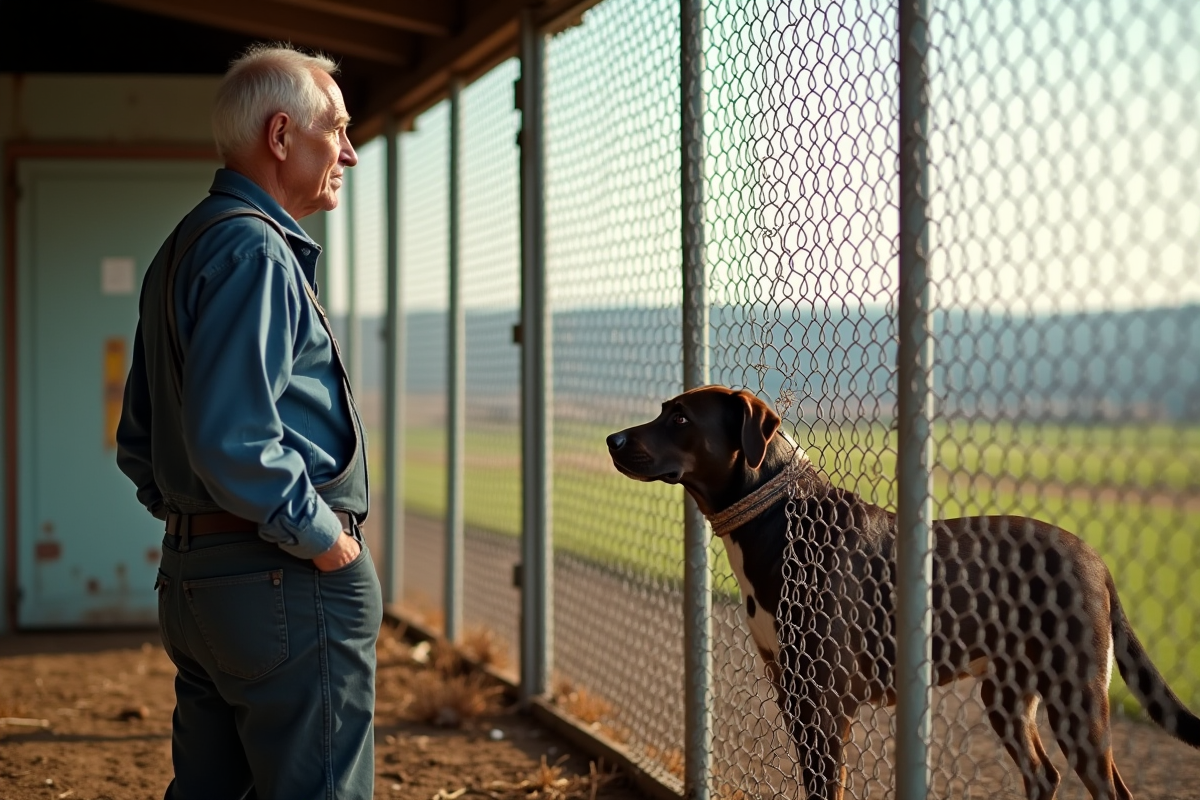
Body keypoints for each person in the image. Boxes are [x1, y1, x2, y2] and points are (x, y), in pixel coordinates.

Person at [116, 43, 382, 800]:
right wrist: (324, 540)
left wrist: (195, 526)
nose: (350, 153)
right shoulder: (255, 250)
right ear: (280, 136)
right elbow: (235, 439)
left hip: (200, 581)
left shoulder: (184, 248)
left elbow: (141, 442)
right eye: (337, 128)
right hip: (281, 580)